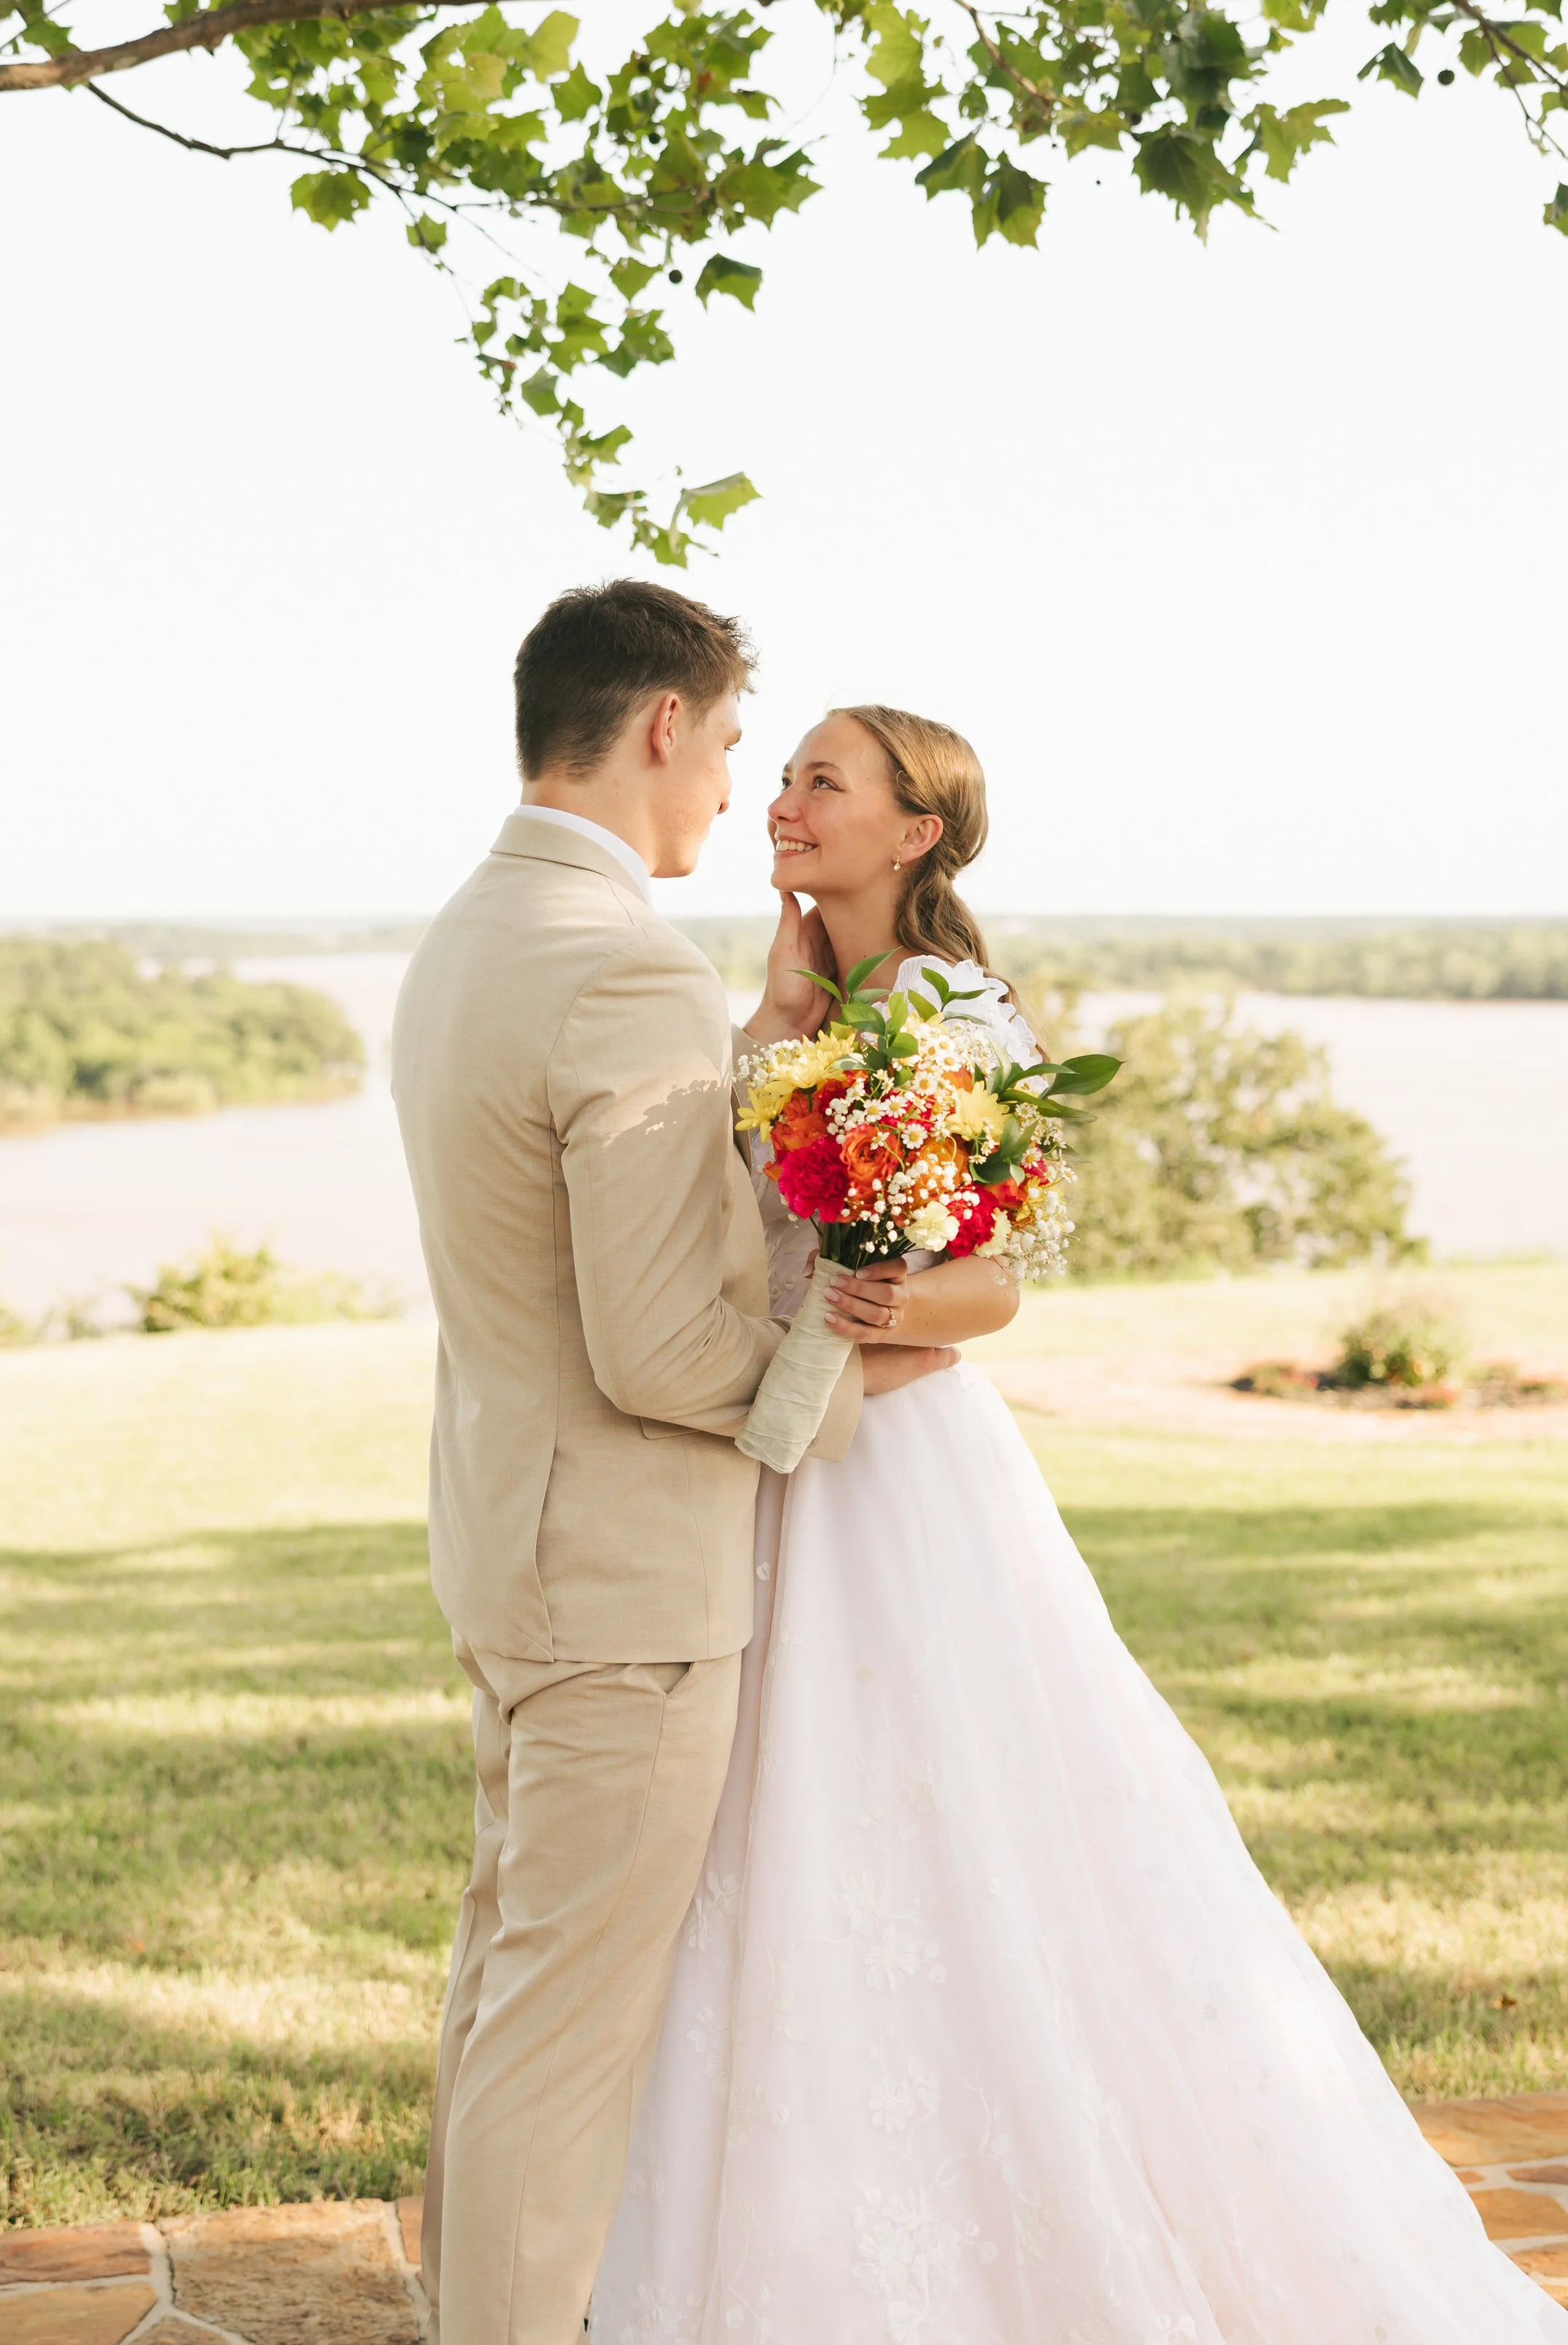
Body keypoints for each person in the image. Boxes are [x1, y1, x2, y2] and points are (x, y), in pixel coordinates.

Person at [592, 703, 1568, 2345]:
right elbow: (742, 1234)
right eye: (780, 775)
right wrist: (766, 1026)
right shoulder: (801, 1003)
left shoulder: (947, 1014)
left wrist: (872, 1318)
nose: (781, 800)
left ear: (914, 830)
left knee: (952, 1829)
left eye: (819, 779)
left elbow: (993, 1287)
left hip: (888, 1485)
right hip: (766, 1465)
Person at [391, 592, 952, 2345]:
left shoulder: (474, 932)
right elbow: (653, 1347)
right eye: (726, 748)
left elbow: (587, 1231)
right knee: (556, 2054)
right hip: (624, 1585)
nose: (731, 789)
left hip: (509, 1547)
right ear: (656, 727)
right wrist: (843, 1387)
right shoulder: (624, 958)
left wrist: (754, 1059)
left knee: (505, 1996)